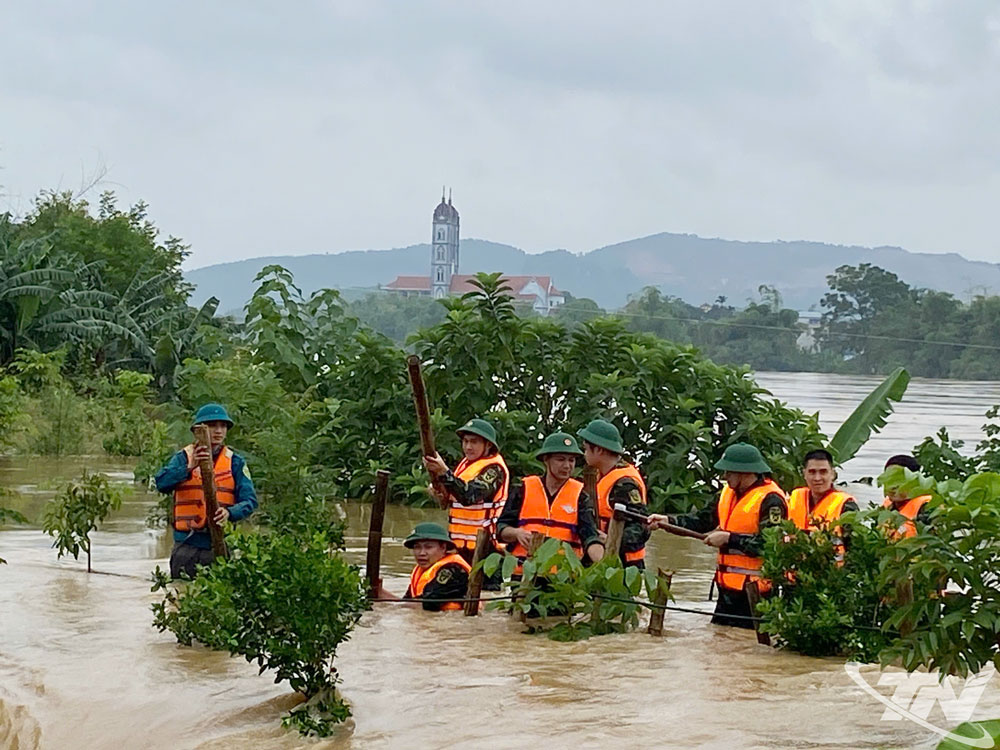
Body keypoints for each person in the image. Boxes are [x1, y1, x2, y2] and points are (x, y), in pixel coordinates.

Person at [646, 442, 787, 628]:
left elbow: (769, 545)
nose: (724, 476)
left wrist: (729, 539)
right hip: (726, 590)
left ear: (744, 472)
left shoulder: (771, 500)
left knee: (752, 645)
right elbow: (702, 520)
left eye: (729, 471)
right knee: (722, 642)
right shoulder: (727, 493)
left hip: (756, 593)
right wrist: (668, 522)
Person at [155, 403, 258, 579]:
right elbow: (161, 483)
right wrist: (189, 467)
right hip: (186, 546)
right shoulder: (183, 458)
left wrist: (229, 513)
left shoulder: (235, 462)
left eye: (223, 426)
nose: (218, 431)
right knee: (182, 596)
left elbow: (250, 501)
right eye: (212, 425)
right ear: (198, 431)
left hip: (219, 544)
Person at [497, 432, 605, 575]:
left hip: (562, 577)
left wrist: (603, 566)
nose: (567, 466)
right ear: (546, 460)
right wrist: (517, 533)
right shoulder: (523, 488)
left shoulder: (581, 496)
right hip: (524, 573)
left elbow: (590, 536)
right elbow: (501, 528)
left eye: (571, 460)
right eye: (560, 460)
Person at [423, 418, 509, 576]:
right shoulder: (464, 466)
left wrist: (444, 473)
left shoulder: (494, 469)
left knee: (484, 597)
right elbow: (453, 500)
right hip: (457, 549)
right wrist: (440, 493)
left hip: (486, 551)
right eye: (466, 441)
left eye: (474, 442)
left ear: (488, 445)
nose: (468, 447)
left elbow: (470, 496)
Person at [577, 419, 649, 567]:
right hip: (599, 560)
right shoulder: (598, 476)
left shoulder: (625, 484)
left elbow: (642, 528)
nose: (584, 454)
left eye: (586, 449)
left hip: (623, 565)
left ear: (599, 450)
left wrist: (612, 540)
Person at [377, 522, 471, 612]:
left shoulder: (453, 570)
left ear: (443, 548)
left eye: (428, 547)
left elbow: (427, 603)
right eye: (417, 547)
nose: (421, 553)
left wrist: (384, 597)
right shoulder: (421, 572)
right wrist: (379, 591)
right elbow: (406, 603)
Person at [787, 448, 858, 563]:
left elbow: (855, 549)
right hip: (794, 575)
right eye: (812, 472)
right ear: (804, 473)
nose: (817, 478)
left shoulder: (846, 504)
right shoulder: (794, 497)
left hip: (830, 575)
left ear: (833, 474)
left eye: (823, 472)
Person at [881, 454, 932, 538]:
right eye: (889, 479)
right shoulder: (886, 507)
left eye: (899, 480)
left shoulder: (926, 508)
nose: (893, 486)